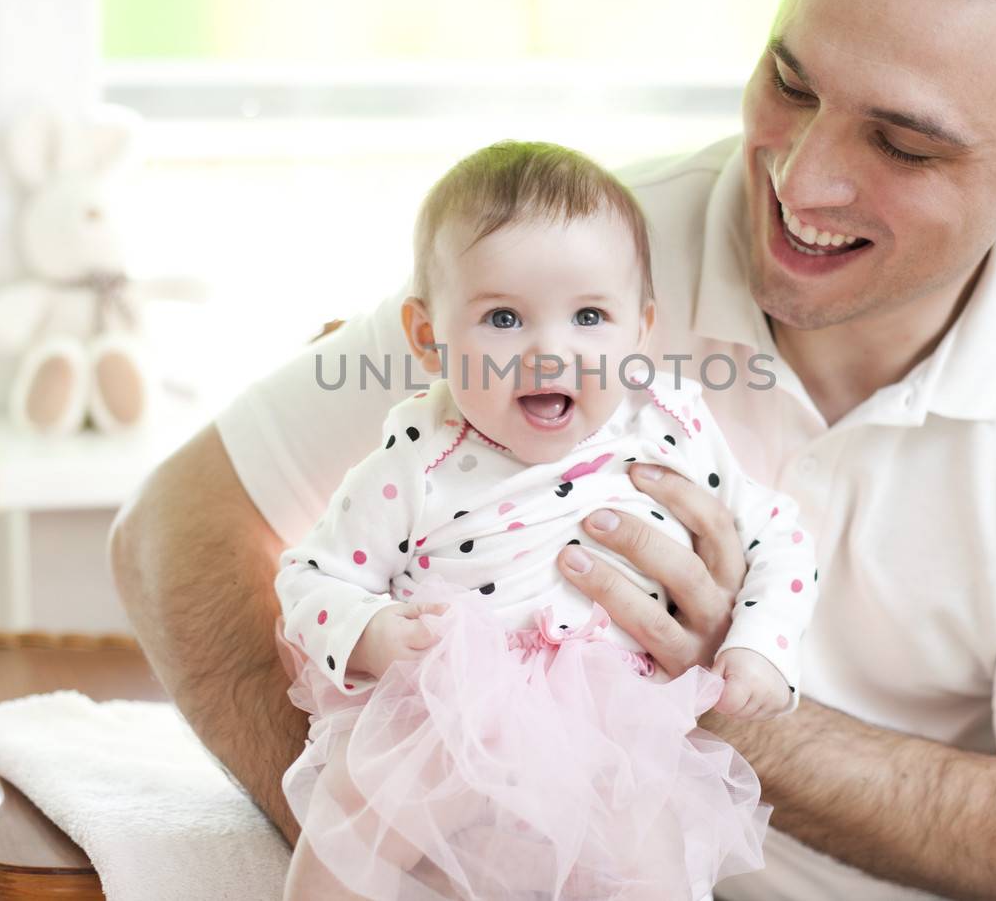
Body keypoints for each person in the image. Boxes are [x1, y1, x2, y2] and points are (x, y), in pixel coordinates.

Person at [111, 0, 996, 898]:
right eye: (789, 82)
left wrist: (709, 691)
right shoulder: (568, 269)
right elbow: (174, 526)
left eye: (902, 144)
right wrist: (402, 832)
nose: (798, 180)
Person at [274, 140, 818, 899]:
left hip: (614, 735)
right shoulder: (419, 459)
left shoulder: (665, 428)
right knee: (348, 835)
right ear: (429, 336)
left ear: (640, 330)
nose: (549, 350)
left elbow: (781, 537)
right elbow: (308, 575)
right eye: (503, 317)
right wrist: (369, 631)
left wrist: (762, 648)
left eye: (590, 315)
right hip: (442, 720)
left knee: (655, 870)